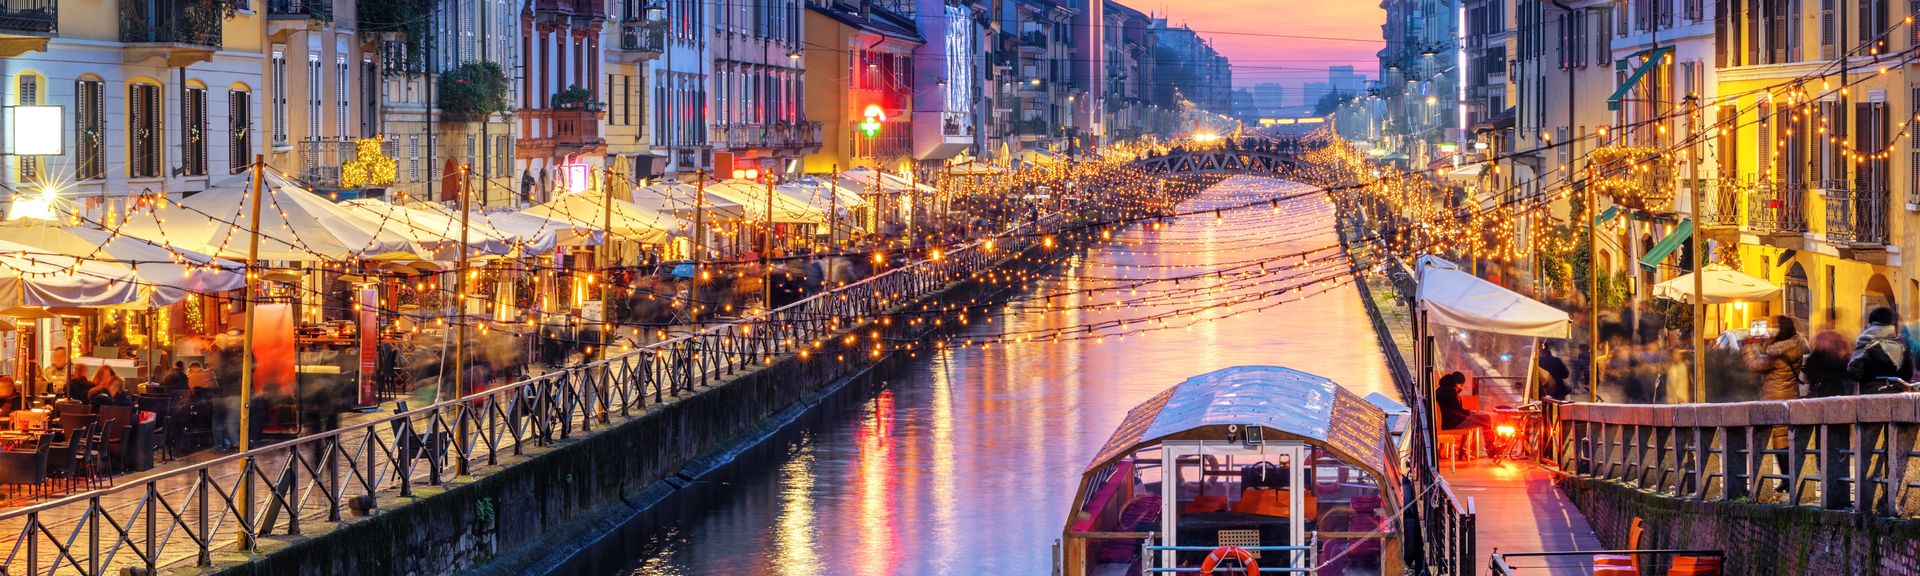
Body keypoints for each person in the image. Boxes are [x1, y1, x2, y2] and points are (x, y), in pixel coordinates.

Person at [1849, 307, 1909, 392]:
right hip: (1897, 394)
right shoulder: (1901, 346)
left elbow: (1855, 374)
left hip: (1872, 395)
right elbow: (1908, 374)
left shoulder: (1865, 343)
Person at [1803, 331, 1855, 397]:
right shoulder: (1841, 356)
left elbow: (1810, 374)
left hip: (1825, 393)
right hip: (1837, 393)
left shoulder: (1817, 357)